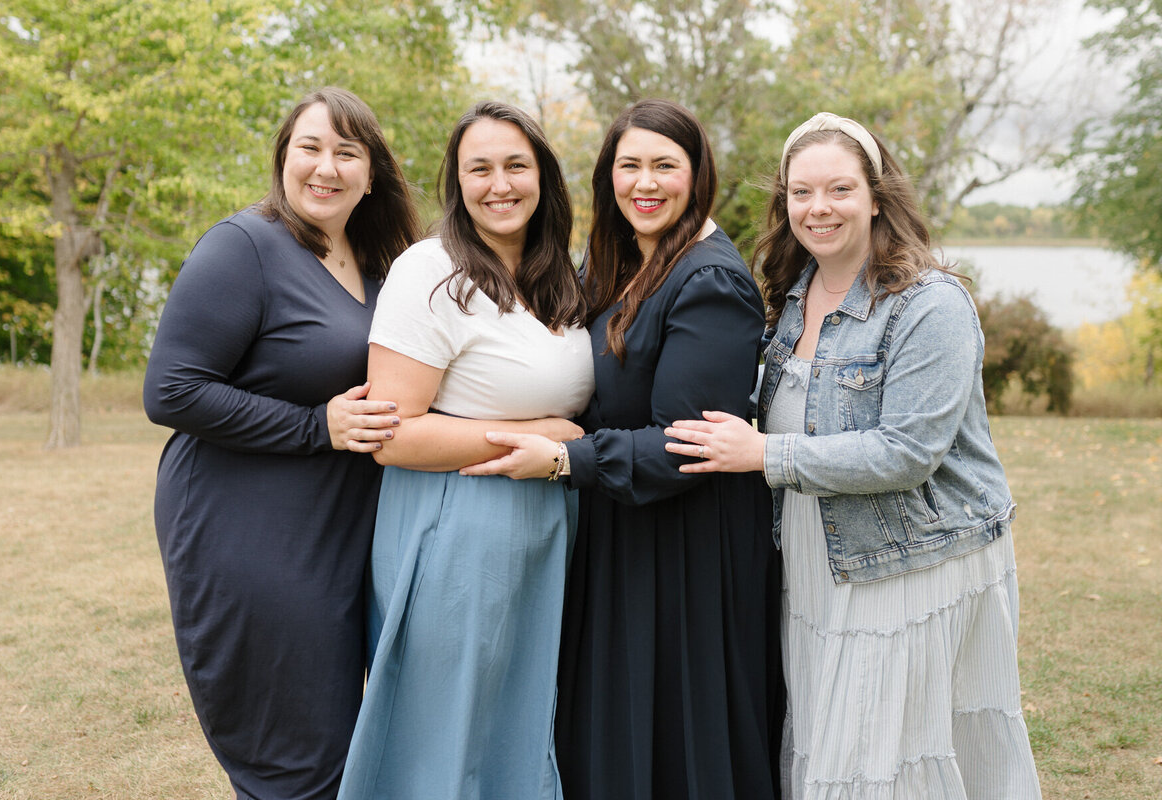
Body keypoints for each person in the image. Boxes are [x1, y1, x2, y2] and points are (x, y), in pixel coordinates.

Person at [663, 112, 1042, 799]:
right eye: (801, 192)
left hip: (913, 559)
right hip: (817, 555)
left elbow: (907, 453)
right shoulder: (793, 297)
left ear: (875, 196)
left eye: (838, 189)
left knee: (884, 756)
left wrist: (763, 454)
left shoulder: (930, 303)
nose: (819, 208)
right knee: (833, 740)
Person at [462, 98, 782, 800]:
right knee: (615, 730)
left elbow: (685, 447)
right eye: (628, 165)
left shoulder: (711, 281)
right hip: (624, 531)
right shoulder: (622, 265)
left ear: (698, 176)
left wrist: (563, 460)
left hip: (686, 548)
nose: (646, 183)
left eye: (665, 165)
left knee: (677, 737)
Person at [143, 87, 420, 799]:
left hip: (340, 531)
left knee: (345, 743)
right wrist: (313, 426)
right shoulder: (245, 247)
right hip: (250, 533)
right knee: (296, 760)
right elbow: (170, 390)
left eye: (346, 153)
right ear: (284, 157)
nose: (325, 168)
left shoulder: (379, 263)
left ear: (372, 172)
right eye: (310, 147)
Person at [335, 101, 594, 800]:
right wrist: (545, 437)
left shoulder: (557, 274)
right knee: (444, 737)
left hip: (541, 528)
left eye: (515, 165)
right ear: (456, 181)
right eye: (478, 168)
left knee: (517, 727)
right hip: (456, 525)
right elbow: (392, 436)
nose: (499, 184)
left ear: (543, 176)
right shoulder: (430, 272)